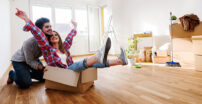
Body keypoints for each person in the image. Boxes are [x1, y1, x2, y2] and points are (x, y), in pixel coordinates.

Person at [16, 8, 128, 72]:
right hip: (62, 73)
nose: (54, 35)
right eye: (51, 35)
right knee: (84, 62)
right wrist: (26, 19)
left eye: (56, 34)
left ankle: (120, 61)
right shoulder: (47, 48)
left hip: (70, 70)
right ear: (48, 40)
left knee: (92, 64)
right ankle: (98, 54)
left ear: (59, 37)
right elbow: (39, 34)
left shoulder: (63, 48)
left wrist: (75, 27)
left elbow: (69, 38)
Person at [7, 13, 54, 88]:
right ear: (40, 30)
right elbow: (29, 61)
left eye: (50, 26)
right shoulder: (29, 43)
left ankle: (25, 75)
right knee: (25, 84)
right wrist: (42, 68)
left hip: (33, 59)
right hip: (20, 61)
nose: (50, 28)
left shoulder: (49, 40)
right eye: (47, 27)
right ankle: (12, 74)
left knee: (45, 78)